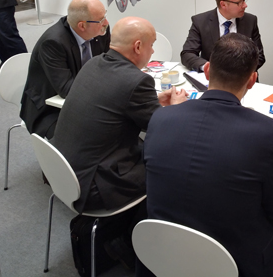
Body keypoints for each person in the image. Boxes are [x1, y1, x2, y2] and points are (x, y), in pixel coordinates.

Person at [143, 33, 273, 277]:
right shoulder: (266, 131)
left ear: (207, 71)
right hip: (229, 260)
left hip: (161, 247)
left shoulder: (161, 116)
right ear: (252, 80)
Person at [51, 17, 187, 267]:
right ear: (138, 46)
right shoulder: (136, 81)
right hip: (93, 184)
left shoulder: (94, 63)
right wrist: (177, 108)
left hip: (64, 171)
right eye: (151, 45)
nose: (153, 51)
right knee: (171, 169)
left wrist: (155, 101)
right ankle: (130, 240)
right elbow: (165, 131)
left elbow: (117, 102)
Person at [20, 0, 110, 138]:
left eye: (104, 16)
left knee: (120, 125)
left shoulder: (100, 31)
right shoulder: (53, 43)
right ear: (82, 26)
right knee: (92, 137)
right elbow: (67, 89)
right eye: (100, 20)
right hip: (50, 109)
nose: (106, 22)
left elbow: (109, 65)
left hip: (88, 100)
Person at [181, 0, 265, 71]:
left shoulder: (250, 21)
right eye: (239, 2)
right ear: (223, 4)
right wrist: (208, 68)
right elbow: (187, 54)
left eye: (244, 0)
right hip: (212, 77)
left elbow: (259, 57)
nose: (245, 5)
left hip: (243, 77)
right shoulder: (200, 22)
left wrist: (238, 72)